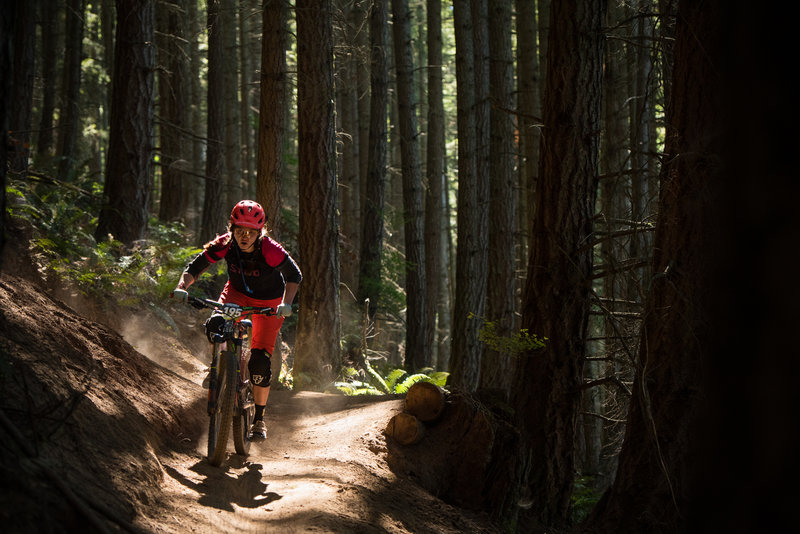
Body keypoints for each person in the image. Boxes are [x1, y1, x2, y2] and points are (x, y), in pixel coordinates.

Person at [174, 200, 301, 439]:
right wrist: (182, 286)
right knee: (215, 325)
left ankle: (259, 421)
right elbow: (197, 266)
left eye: (251, 232)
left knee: (260, 365)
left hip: (270, 302)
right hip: (236, 295)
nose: (244, 236)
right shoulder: (225, 244)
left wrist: (286, 303)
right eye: (240, 230)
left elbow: (294, 274)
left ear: (259, 233)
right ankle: (218, 369)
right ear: (232, 229)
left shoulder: (270, 249)